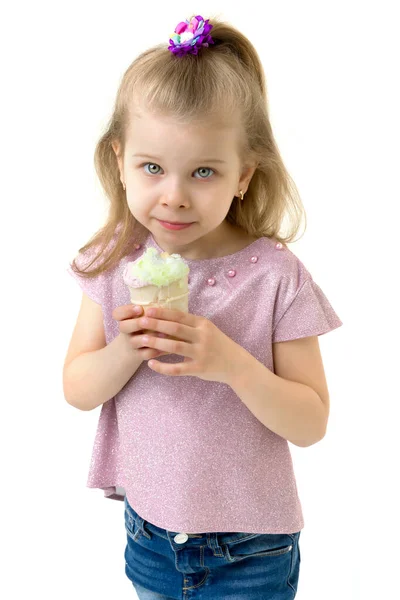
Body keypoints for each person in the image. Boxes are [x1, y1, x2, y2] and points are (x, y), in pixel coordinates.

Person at [63, 14, 343, 600]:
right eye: (152, 168)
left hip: (252, 550)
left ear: (243, 175)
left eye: (204, 172)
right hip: (150, 537)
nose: (174, 194)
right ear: (120, 160)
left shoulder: (274, 277)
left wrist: (230, 362)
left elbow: (311, 422)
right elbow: (78, 388)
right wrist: (126, 347)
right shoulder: (115, 261)